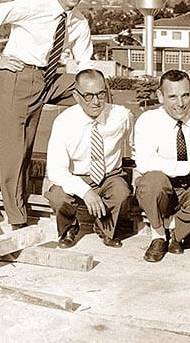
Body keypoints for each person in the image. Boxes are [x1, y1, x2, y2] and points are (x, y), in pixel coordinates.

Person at [0, 0, 94, 230]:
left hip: (48, 78)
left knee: (95, 89)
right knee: (16, 151)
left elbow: (86, 64)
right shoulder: (34, 7)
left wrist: (92, 90)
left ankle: (91, 157)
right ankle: (17, 217)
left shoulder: (78, 22)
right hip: (17, 77)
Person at [134, 69, 190, 262]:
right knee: (151, 182)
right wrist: (188, 167)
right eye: (172, 97)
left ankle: (174, 233)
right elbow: (144, 162)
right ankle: (158, 236)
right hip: (163, 190)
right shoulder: (148, 121)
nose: (180, 103)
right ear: (160, 96)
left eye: (185, 95)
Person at [44, 69, 133, 249]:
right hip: (76, 176)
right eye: (88, 95)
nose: (96, 101)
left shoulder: (121, 116)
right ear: (76, 96)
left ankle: (105, 229)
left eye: (101, 94)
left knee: (121, 193)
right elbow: (56, 170)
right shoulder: (64, 122)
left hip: (110, 175)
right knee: (58, 197)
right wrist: (85, 191)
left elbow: (135, 144)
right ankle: (69, 228)